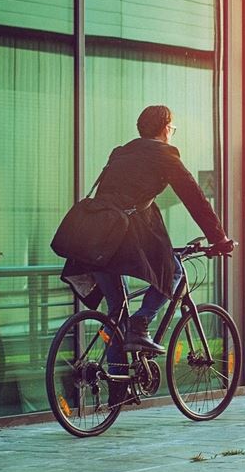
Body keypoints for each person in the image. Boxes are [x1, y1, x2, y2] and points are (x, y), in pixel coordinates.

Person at [61, 106, 234, 393]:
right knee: (175, 273)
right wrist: (219, 238)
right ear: (165, 128)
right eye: (172, 128)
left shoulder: (121, 152)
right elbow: (194, 196)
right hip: (125, 236)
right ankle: (141, 325)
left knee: (117, 311)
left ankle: (119, 389)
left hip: (95, 240)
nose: (172, 133)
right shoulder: (164, 154)